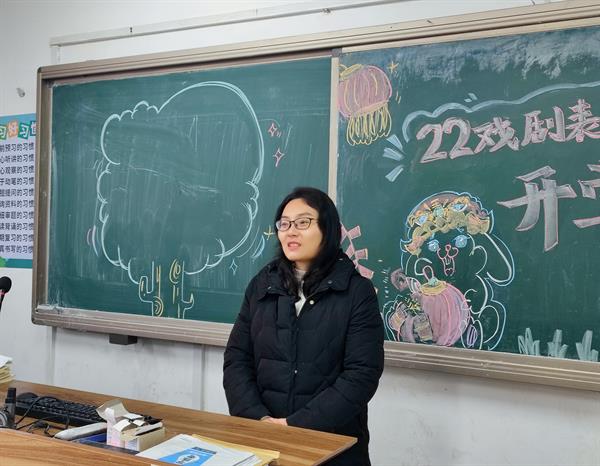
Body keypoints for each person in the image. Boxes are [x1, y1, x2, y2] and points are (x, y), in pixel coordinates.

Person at [223, 186, 384, 465]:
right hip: (263, 441)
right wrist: (258, 420)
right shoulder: (262, 285)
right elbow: (237, 358)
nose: (291, 232)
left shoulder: (356, 292)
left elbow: (362, 374)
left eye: (303, 222)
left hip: (332, 448)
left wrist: (296, 425)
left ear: (328, 229)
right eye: (284, 224)